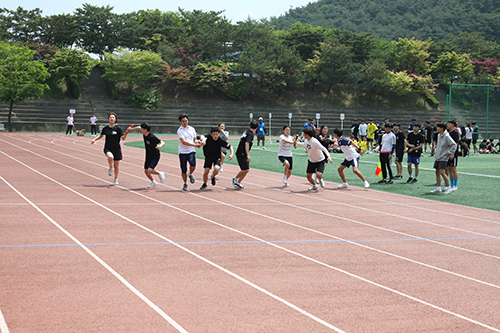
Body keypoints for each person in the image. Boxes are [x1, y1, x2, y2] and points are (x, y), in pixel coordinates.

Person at [91, 112, 129, 185]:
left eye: (113, 117)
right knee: (110, 157)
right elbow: (101, 136)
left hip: (117, 149)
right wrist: (94, 139)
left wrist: (126, 133)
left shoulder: (118, 129)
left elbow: (123, 138)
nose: (111, 119)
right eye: (110, 117)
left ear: (115, 119)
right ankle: (110, 167)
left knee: (117, 167)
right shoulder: (106, 128)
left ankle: (116, 179)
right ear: (108, 119)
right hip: (108, 147)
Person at [127, 123, 166, 188]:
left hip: (155, 156)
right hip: (148, 155)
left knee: (150, 170)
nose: (141, 130)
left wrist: (160, 146)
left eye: (142, 129)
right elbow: (139, 127)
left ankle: (160, 173)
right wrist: (131, 129)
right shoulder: (144, 134)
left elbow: (162, 142)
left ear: (145, 129)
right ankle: (153, 182)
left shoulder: (152, 137)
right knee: (146, 171)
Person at [177, 114, 202, 191]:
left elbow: (194, 139)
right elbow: (184, 142)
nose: (185, 122)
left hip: (191, 151)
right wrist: (195, 145)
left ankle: (190, 174)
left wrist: (198, 142)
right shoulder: (180, 131)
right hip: (183, 152)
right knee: (183, 169)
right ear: (180, 122)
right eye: (183, 121)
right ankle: (185, 183)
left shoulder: (192, 129)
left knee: (193, 164)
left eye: (186, 121)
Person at [232, 120, 259, 189]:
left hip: (240, 152)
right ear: (257, 128)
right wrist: (248, 155)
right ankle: (235, 179)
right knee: (246, 169)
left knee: (246, 170)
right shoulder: (250, 134)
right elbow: (247, 143)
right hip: (242, 153)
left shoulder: (247, 131)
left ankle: (238, 182)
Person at [431, 123, 457, 194]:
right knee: (437, 172)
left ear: (442, 128)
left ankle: (448, 187)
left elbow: (454, 145)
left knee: (442, 172)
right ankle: (438, 187)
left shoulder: (447, 136)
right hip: (438, 157)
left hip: (443, 157)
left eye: (438, 127)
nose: (437, 129)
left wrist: (449, 153)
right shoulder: (439, 135)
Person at [446, 120, 460, 191]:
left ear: (453, 125)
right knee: (449, 168)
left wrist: (453, 154)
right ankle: (451, 184)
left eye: (449, 124)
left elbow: (456, 144)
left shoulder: (455, 133)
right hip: (448, 152)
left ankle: (455, 185)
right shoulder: (448, 133)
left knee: (453, 168)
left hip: (453, 153)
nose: (447, 125)